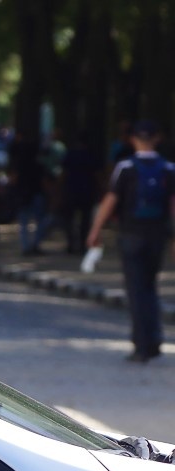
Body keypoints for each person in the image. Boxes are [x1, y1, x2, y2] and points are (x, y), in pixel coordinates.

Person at [86, 120, 175, 362]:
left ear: (133, 139)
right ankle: (154, 338)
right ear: (157, 138)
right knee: (150, 286)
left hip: (131, 234)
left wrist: (95, 229)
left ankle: (141, 345)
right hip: (157, 235)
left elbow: (110, 200)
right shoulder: (168, 168)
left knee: (136, 289)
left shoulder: (125, 167)